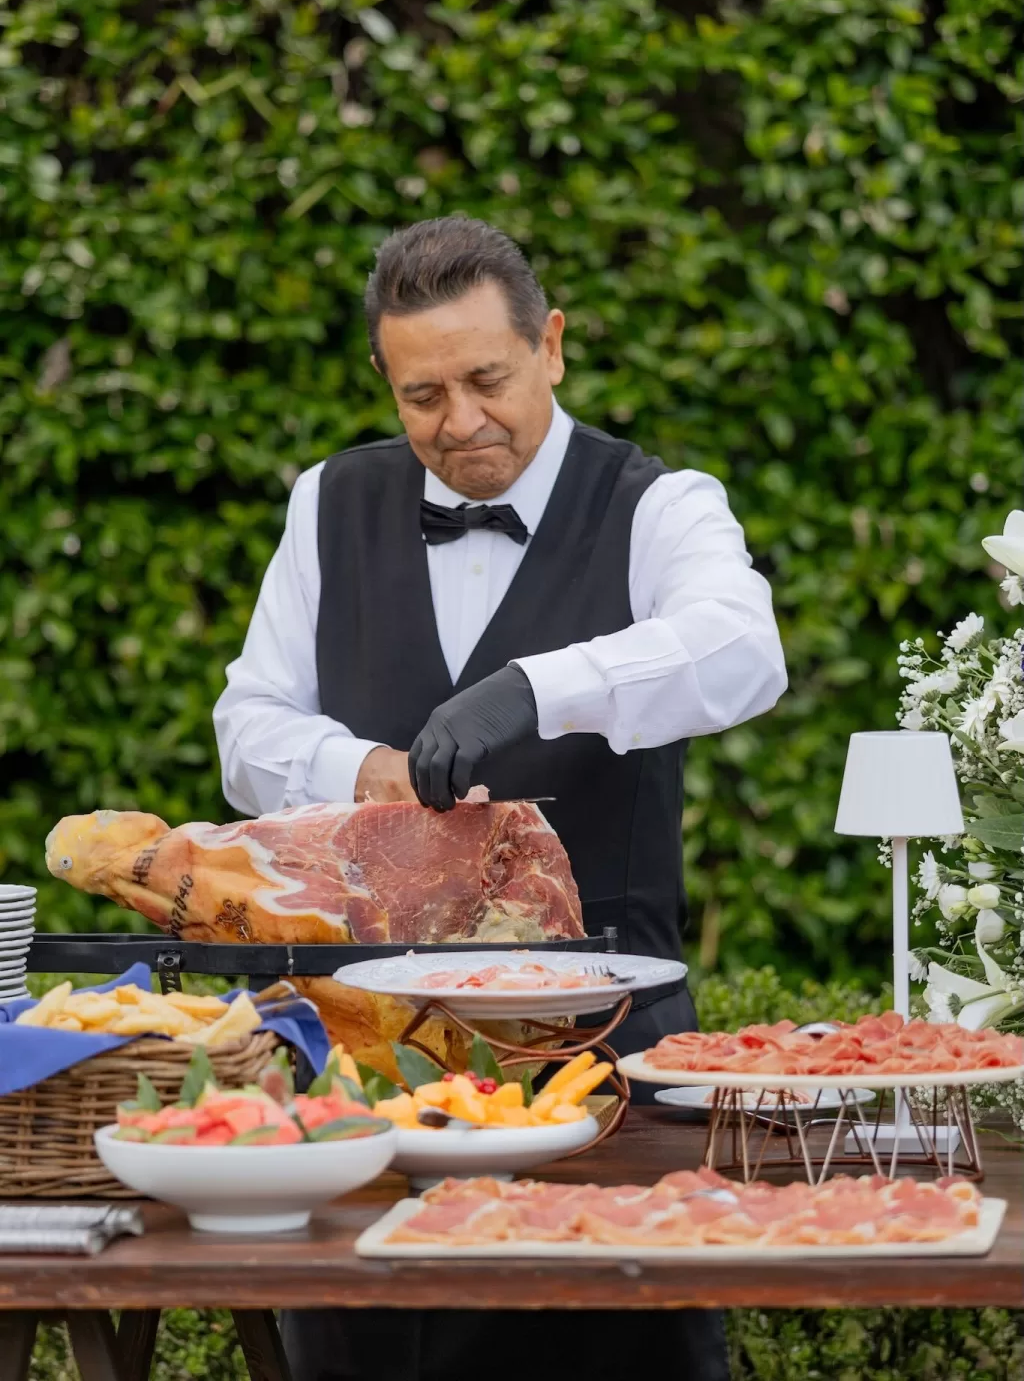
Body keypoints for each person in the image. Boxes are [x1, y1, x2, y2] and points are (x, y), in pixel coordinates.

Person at [213, 215, 787, 1381]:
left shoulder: (660, 503)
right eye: (422, 395)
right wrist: (363, 773)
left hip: (604, 1061)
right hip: (376, 1067)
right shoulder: (330, 500)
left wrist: (536, 688)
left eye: (487, 379)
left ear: (553, 346)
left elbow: (741, 650)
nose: (459, 424)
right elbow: (248, 726)